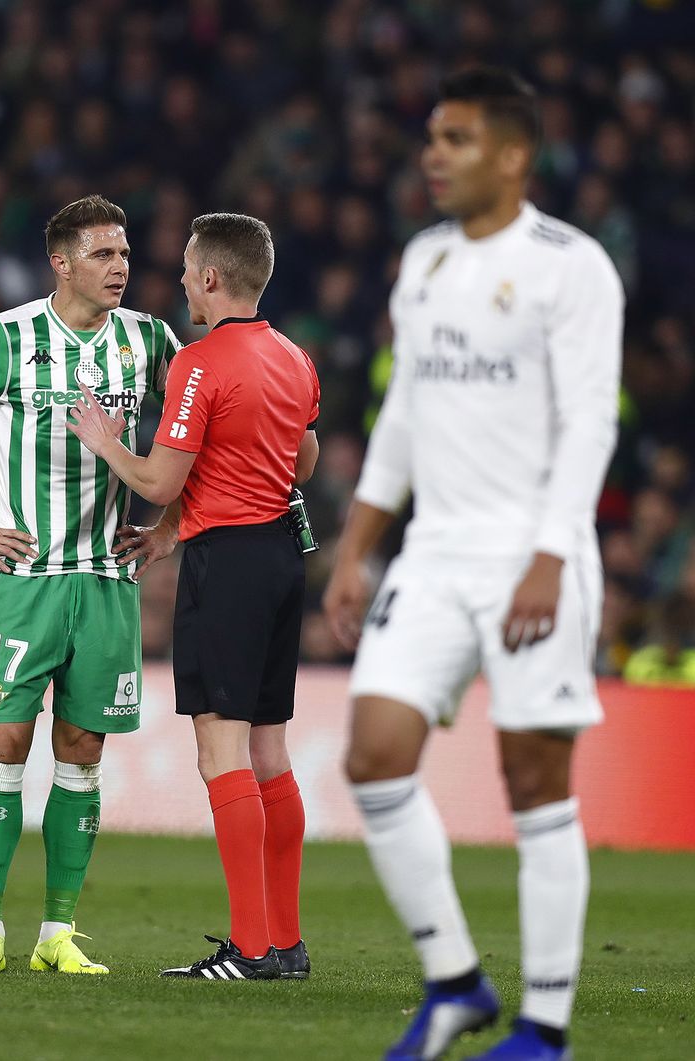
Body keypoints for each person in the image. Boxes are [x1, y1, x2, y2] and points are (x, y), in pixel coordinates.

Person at [323, 67, 623, 1061]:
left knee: (534, 778)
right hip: (435, 554)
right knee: (373, 754)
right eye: (430, 139)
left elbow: (589, 422)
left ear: (512, 154)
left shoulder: (570, 267)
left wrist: (550, 553)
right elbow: (403, 417)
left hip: (532, 553)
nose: (432, 157)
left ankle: (545, 1027)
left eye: (454, 139)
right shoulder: (424, 261)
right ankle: (455, 980)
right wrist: (356, 548)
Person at [0, 194, 180, 977]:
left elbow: (206, 429)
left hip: (107, 580)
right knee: (6, 744)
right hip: (23, 581)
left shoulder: (150, 340)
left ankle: (57, 931)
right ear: (61, 262)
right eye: (103, 254)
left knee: (81, 752)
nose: (120, 267)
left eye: (125, 253)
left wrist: (170, 528)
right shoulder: (3, 337)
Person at [68, 212, 320, 982]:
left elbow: (158, 478)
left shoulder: (200, 364)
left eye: (185, 269)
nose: (179, 281)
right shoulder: (295, 357)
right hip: (282, 558)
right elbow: (302, 463)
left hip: (229, 568)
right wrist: (173, 532)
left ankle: (249, 948)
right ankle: (285, 943)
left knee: (221, 752)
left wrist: (106, 441)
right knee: (270, 751)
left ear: (211, 277)